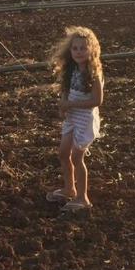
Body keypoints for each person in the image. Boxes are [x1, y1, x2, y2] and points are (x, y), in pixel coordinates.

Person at [46, 26, 104, 212]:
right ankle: (69, 188)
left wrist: (70, 105)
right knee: (63, 153)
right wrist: (64, 105)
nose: (78, 52)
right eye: (75, 48)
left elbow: (97, 101)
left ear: (92, 50)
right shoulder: (70, 71)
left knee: (77, 157)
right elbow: (65, 92)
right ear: (70, 51)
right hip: (71, 117)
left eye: (83, 48)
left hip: (85, 119)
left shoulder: (94, 74)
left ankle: (83, 197)